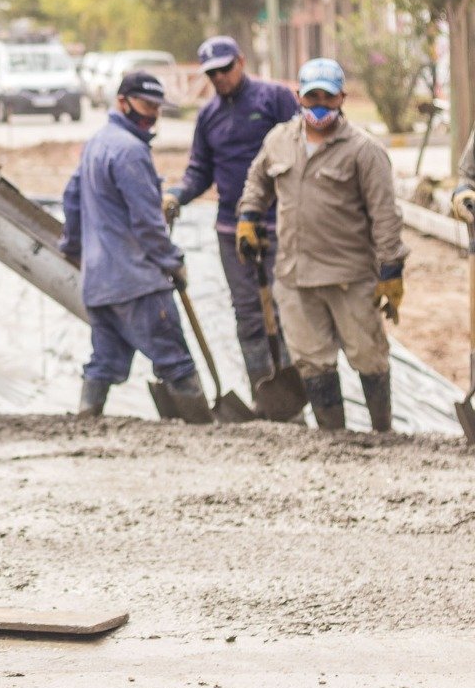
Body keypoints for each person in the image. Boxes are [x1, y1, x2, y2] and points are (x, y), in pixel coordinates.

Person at [237, 58, 408, 432]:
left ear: (342, 98)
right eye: (311, 95)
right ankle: (334, 438)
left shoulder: (364, 150)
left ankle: (383, 432)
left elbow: (385, 215)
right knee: (312, 361)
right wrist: (249, 216)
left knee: (369, 356)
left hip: (350, 277)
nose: (319, 105)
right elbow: (257, 181)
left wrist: (391, 269)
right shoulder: (279, 140)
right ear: (298, 96)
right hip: (295, 277)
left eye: (327, 97)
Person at [61, 71, 212, 421]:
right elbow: (147, 222)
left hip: (99, 283)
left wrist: (74, 247)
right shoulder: (130, 152)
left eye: (157, 107)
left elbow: (71, 200)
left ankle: (87, 419)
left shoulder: (97, 143)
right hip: (137, 282)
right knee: (174, 359)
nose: (152, 115)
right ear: (121, 102)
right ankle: (204, 428)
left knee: (104, 360)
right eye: (146, 105)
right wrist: (173, 261)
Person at [161, 36, 300, 394]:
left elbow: (301, 151)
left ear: (240, 62)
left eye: (225, 69)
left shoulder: (275, 99)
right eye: (212, 74)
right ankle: (262, 389)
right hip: (231, 229)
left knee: (287, 310)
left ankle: (293, 389)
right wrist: (179, 193)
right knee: (248, 313)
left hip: (278, 223)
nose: (219, 78)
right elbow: (200, 170)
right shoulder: (208, 116)